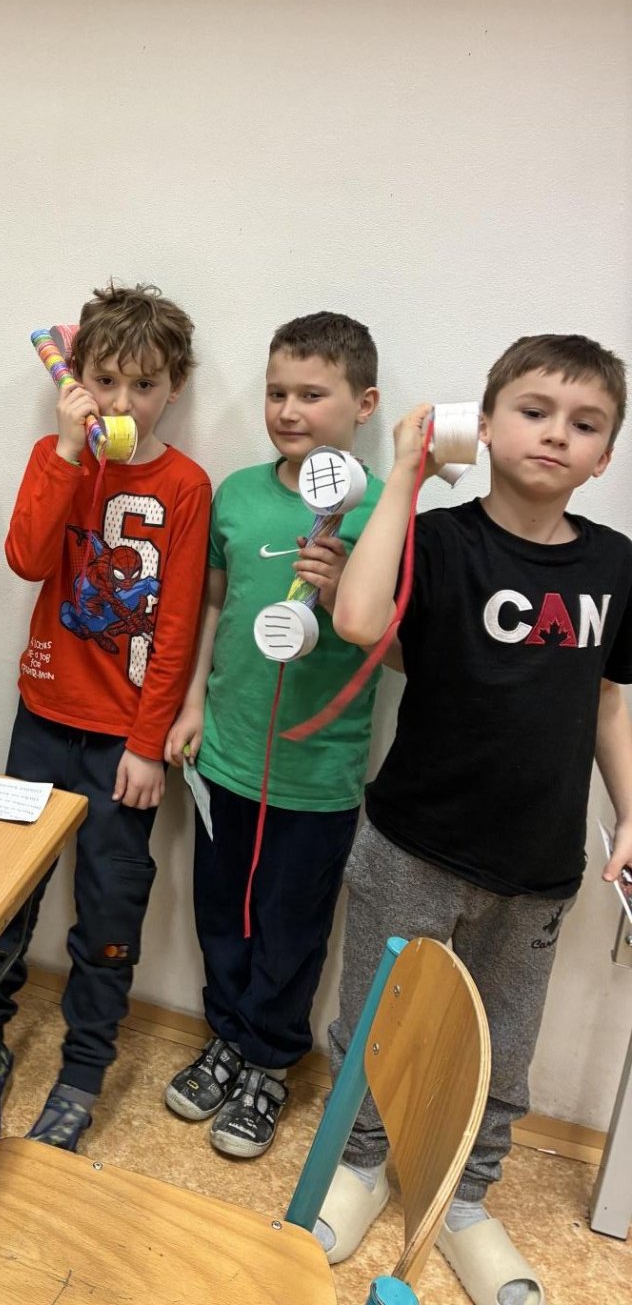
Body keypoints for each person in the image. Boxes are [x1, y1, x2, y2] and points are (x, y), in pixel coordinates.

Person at [316, 334, 632, 1305]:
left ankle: (463, 1199)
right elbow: (359, 620)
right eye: (534, 411)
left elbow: (608, 702)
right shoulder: (441, 539)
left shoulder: (616, 565)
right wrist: (407, 473)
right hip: (413, 842)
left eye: (586, 424)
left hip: (537, 866)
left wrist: (631, 814)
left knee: (503, 1049)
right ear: (482, 425)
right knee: (377, 1022)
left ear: (605, 456)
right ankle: (360, 1163)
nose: (557, 434)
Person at [0, 282, 211, 1167]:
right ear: (78, 381)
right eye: (106, 382)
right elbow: (25, 558)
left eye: (145, 385)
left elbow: (176, 627)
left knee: (109, 911)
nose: (124, 403)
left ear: (174, 387)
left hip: (124, 743)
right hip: (43, 719)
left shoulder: (186, 487)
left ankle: (83, 1074)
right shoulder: (57, 457)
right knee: (7, 892)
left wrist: (147, 744)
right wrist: (63, 447)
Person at [160, 312, 381, 1159]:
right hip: (226, 755)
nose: (289, 410)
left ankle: (269, 1060)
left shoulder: (381, 515)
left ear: (363, 404)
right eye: (276, 392)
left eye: (313, 394)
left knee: (291, 926)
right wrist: (192, 707)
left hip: (317, 773)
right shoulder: (240, 494)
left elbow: (393, 646)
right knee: (222, 912)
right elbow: (214, 605)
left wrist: (340, 591)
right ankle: (225, 1036)